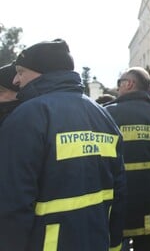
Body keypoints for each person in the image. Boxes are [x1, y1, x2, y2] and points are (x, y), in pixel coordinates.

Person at [0, 39, 126, 250]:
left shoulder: (27, 116)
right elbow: (119, 191)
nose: (15, 79)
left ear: (42, 72)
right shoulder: (102, 115)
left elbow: (12, 203)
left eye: (21, 72)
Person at [105, 67, 150, 251]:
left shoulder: (108, 114)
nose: (118, 89)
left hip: (118, 205)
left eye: (119, 84)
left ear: (129, 84)